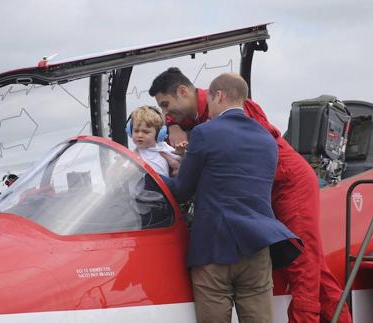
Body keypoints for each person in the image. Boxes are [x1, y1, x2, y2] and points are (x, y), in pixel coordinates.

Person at [149, 68, 352, 323]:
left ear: (185, 92)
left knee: (306, 267)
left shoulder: (236, 109)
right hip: (266, 187)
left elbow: (249, 147)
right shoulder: (196, 121)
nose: (167, 115)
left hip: (289, 182)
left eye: (167, 106)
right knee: (312, 268)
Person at [162, 73, 301, 323]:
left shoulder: (205, 133)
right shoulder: (267, 139)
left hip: (214, 248)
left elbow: (182, 189)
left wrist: (154, 176)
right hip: (257, 249)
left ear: (219, 95)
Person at [126, 105, 185, 177]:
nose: (140, 135)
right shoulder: (132, 154)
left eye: (146, 132)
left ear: (159, 134)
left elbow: (182, 160)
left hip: (159, 187)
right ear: (130, 131)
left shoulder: (163, 148)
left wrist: (181, 153)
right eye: (136, 131)